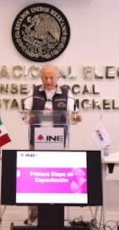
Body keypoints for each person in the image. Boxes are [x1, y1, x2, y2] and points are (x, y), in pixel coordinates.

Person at [22, 64, 82, 225]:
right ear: (41, 77)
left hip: (58, 143)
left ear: (58, 78)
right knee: (35, 179)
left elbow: (74, 115)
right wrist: (27, 115)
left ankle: (56, 212)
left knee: (56, 178)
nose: (48, 80)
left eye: (51, 77)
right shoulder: (33, 92)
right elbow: (25, 114)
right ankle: (33, 214)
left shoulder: (67, 93)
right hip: (36, 143)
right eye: (45, 77)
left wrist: (76, 118)